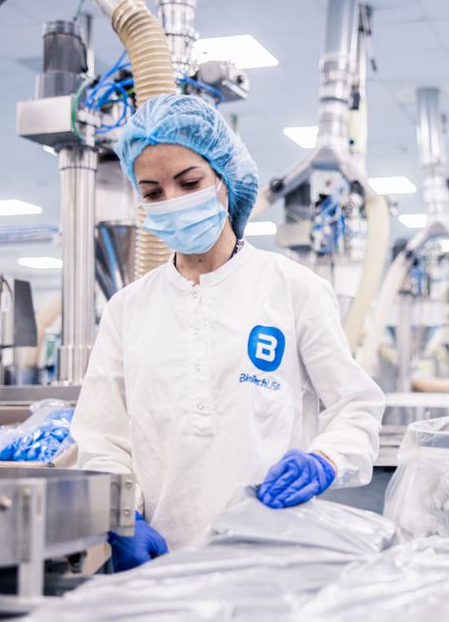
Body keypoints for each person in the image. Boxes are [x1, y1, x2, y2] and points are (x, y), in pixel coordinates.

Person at [71, 94, 386, 571]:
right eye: (153, 192)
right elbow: (102, 437)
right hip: (161, 560)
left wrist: (324, 459)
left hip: (274, 556)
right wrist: (121, 518)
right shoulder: (126, 310)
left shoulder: (292, 289)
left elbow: (355, 405)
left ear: (225, 181)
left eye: (189, 181)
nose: (172, 201)